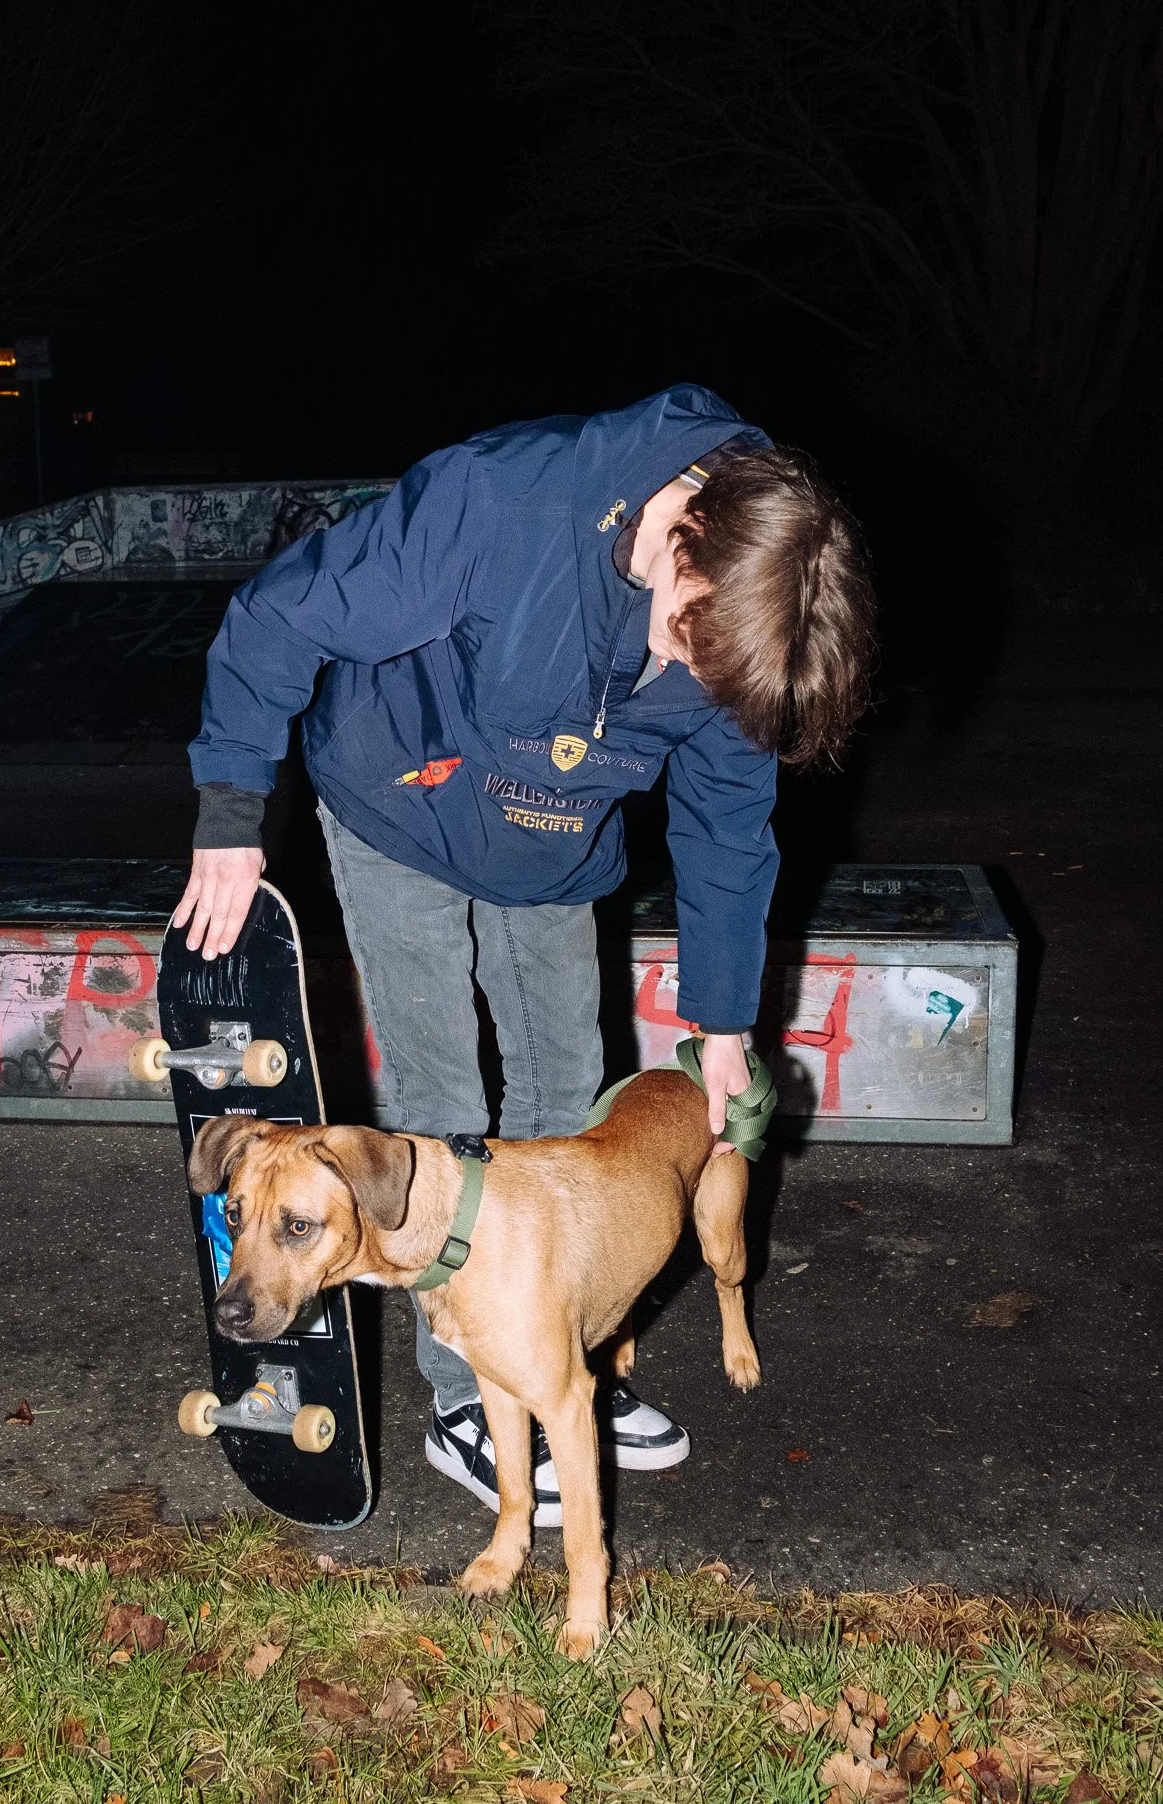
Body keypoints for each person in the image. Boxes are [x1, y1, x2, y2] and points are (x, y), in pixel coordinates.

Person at [178, 383, 874, 1522]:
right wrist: (228, 816)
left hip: (553, 838)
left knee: (567, 1108)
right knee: (442, 1102)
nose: (693, 688)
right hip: (398, 792)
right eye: (690, 651)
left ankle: (563, 1361)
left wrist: (724, 1021)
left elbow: (725, 829)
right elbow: (280, 614)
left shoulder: (746, 621)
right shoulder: (498, 502)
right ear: (685, 533)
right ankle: (468, 1392)